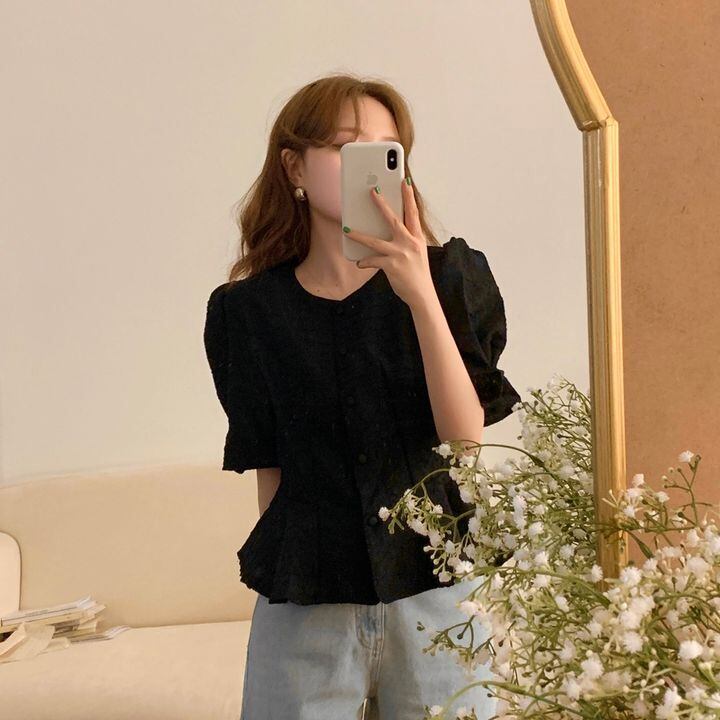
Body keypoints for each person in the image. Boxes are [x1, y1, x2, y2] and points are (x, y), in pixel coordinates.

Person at [203, 74, 521, 720]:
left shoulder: (451, 278)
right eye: (346, 146)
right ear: (294, 166)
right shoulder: (248, 312)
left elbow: (463, 442)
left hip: (434, 596)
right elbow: (272, 474)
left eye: (385, 148)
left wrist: (419, 293)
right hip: (307, 608)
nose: (368, 163)